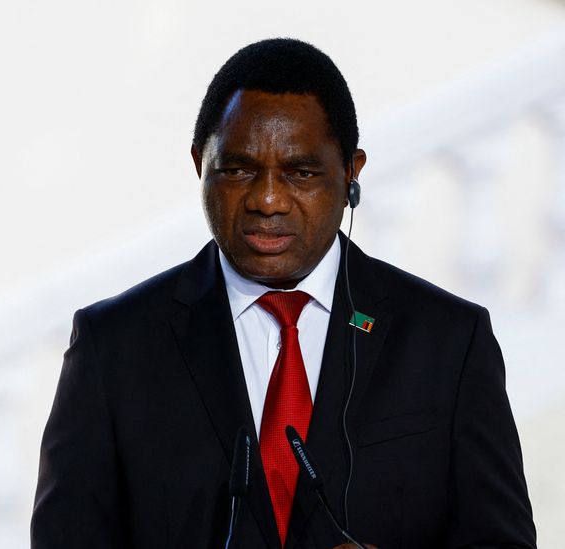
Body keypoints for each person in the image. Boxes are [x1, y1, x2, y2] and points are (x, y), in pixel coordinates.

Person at [30, 38, 536, 549]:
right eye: (238, 169)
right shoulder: (112, 346)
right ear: (199, 166)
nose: (267, 200)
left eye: (301, 172)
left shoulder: (448, 341)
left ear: (351, 174)